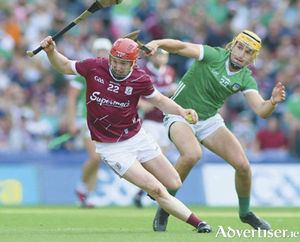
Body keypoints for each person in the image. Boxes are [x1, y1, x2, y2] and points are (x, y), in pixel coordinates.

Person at [40, 35, 212, 233]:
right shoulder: (94, 66)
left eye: (124, 63)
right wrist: (51, 51)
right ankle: (199, 223)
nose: (119, 67)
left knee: (173, 182)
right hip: (111, 147)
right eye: (116, 61)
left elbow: (161, 101)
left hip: (137, 137)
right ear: (110, 58)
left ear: (134, 62)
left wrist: (181, 111)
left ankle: (161, 199)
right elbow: (64, 65)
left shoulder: (140, 78)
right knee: (155, 188)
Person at [144, 30, 286, 231]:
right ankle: (165, 207)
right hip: (180, 113)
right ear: (232, 45)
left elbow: (261, 111)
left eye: (247, 52)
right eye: (239, 48)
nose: (241, 54)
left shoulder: (245, 78)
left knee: (243, 166)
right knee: (192, 154)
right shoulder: (213, 55)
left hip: (209, 120)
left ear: (252, 58)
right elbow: (180, 46)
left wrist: (272, 102)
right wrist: (157, 43)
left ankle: (245, 213)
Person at [68, 38, 112, 207]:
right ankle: (81, 188)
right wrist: (72, 121)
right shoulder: (85, 70)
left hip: (101, 120)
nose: (101, 53)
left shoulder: (110, 73)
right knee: (94, 156)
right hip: (85, 118)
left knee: (97, 158)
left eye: (104, 51)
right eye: (99, 50)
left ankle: (88, 195)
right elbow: (72, 98)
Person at [133, 49, 177, 208]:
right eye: (159, 55)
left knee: (161, 159)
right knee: (155, 157)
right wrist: (140, 103)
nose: (162, 58)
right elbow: (132, 90)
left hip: (164, 119)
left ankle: (142, 193)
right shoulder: (142, 70)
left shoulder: (170, 72)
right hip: (149, 120)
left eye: (165, 55)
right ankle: (150, 191)